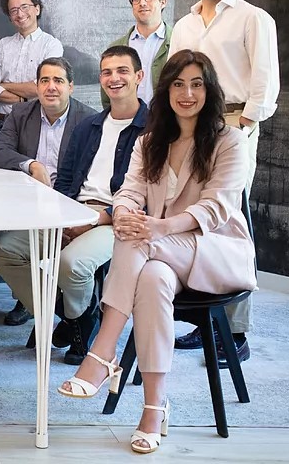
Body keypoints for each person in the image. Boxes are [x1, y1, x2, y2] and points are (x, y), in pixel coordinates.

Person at [58, 50, 256, 455]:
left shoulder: (230, 140)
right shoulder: (151, 142)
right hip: (161, 258)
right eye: (178, 84)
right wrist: (128, 211)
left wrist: (157, 226)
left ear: (210, 89)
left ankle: (103, 351)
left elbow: (217, 207)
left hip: (215, 251)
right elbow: (128, 190)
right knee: (149, 277)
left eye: (197, 84)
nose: (187, 93)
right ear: (165, 91)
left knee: (136, 239)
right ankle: (154, 407)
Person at [0, 46, 147, 365]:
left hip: (116, 220)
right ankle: (79, 317)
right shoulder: (91, 126)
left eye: (122, 71)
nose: (114, 78)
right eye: (107, 72)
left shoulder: (152, 128)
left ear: (139, 77)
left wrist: (94, 219)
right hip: (72, 210)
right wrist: (62, 217)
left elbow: (151, 193)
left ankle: (74, 318)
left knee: (71, 264)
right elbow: (66, 181)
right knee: (1, 252)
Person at [168, 0, 279, 364]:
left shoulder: (254, 18)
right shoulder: (184, 24)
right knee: (194, 220)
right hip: (190, 129)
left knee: (230, 222)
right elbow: (175, 82)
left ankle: (235, 333)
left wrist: (240, 127)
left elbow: (265, 88)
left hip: (233, 129)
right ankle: (206, 322)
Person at [0, 57, 96, 326]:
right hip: (30, 209)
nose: (51, 87)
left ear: (71, 87)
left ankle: (79, 316)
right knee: (0, 252)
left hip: (71, 211)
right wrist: (31, 164)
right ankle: (49, 307)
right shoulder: (21, 114)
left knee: (71, 262)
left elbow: (92, 177)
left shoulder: (90, 121)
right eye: (45, 80)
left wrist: (73, 220)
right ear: (36, 87)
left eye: (58, 80)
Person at [0, 0, 64, 142]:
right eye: (14, 10)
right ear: (10, 17)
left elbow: (42, 86)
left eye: (24, 7)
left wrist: (4, 85)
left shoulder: (51, 45)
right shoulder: (2, 46)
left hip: (37, 123)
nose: (20, 14)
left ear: (37, 9)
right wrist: (23, 100)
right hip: (4, 124)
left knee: (34, 167)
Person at [102, 0, 173, 108]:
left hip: (167, 124)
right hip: (127, 123)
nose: (142, 3)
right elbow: (107, 98)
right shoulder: (117, 47)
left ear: (163, 2)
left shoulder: (177, 41)